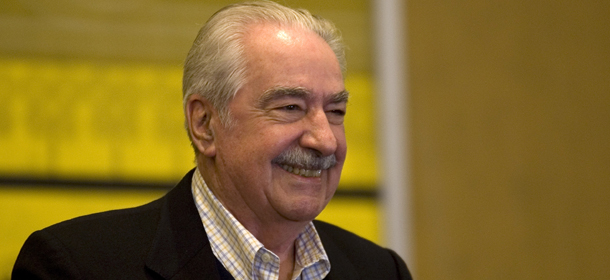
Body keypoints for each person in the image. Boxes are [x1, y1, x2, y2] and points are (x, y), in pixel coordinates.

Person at [12, 1, 412, 279]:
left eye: (336, 112)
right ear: (204, 124)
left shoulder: (379, 271)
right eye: (290, 107)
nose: (325, 140)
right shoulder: (77, 267)